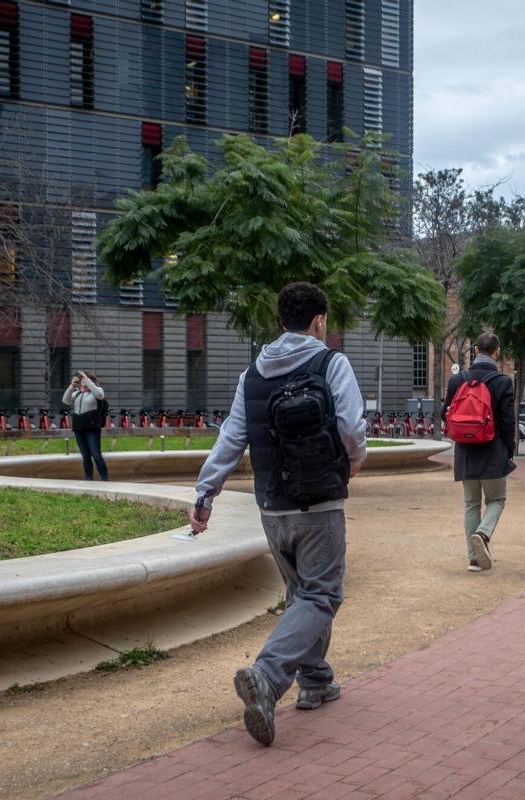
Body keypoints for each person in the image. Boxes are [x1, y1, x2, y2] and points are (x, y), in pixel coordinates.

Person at [189, 282, 366, 747]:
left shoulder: (252, 376)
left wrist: (206, 493)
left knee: (301, 595)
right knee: (321, 595)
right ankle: (267, 678)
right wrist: (355, 462)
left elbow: (230, 438)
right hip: (320, 502)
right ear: (319, 321)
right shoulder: (332, 363)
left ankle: (316, 680)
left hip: (271, 506)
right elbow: (351, 428)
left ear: (279, 319)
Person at [443, 332, 516, 573]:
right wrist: (509, 450)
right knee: (497, 500)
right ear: (497, 352)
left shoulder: (457, 380)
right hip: (493, 450)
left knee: (471, 504)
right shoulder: (503, 382)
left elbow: (446, 414)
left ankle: (474, 559)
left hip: (465, 451)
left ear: (475, 351)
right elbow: (507, 422)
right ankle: (483, 534)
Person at [62, 370, 109, 481]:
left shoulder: (97, 392)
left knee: (96, 455)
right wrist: (72, 386)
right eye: (82, 380)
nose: (82, 382)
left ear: (90, 381)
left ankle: (105, 479)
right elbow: (65, 400)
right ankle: (89, 479)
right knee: (85, 456)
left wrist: (87, 379)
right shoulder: (77, 393)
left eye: (84, 380)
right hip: (79, 428)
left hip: (92, 428)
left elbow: (100, 395)